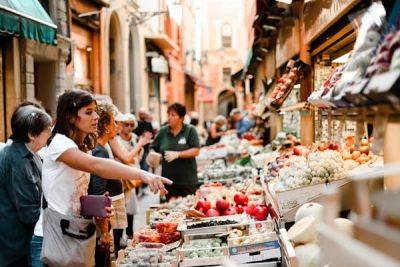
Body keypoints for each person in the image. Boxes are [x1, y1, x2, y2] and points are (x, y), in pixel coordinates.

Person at [40, 89, 172, 266]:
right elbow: (97, 166)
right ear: (70, 117)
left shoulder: (81, 145)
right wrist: (143, 174)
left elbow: (75, 190)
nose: (95, 116)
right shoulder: (60, 143)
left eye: (94, 110)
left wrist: (96, 207)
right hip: (59, 235)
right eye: (88, 112)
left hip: (78, 231)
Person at [0, 106, 52, 266]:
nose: (51, 132)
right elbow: (28, 212)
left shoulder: (28, 154)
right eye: (47, 129)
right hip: (15, 245)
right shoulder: (18, 160)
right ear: (31, 134)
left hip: (20, 243)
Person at [88, 101, 127, 265]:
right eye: (113, 122)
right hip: (103, 225)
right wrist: (104, 232)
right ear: (105, 126)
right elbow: (98, 194)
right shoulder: (99, 151)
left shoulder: (103, 148)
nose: (117, 126)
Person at [149, 103, 200, 201]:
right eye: (168, 114)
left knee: (188, 210)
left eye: (173, 115)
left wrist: (178, 154)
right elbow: (153, 147)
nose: (169, 118)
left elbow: (196, 150)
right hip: (168, 181)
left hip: (187, 182)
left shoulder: (190, 130)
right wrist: (154, 155)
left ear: (181, 118)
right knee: (169, 211)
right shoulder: (163, 131)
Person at [116, 113, 151, 239]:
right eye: (126, 125)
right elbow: (127, 158)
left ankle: (130, 234)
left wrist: (138, 149)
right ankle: (120, 238)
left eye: (131, 125)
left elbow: (136, 157)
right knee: (122, 207)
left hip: (132, 177)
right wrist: (139, 145)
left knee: (131, 206)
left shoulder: (134, 137)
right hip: (123, 178)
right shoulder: (117, 140)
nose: (129, 127)